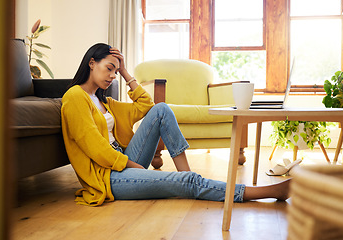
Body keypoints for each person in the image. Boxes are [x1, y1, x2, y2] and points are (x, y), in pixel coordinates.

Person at [61, 43, 291, 206]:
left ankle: (187, 176)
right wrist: (131, 164)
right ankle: (262, 193)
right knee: (187, 183)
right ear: (92, 63)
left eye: (115, 70)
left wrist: (125, 72)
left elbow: (147, 105)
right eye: (109, 68)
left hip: (123, 159)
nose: (112, 75)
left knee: (162, 109)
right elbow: (94, 148)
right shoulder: (74, 97)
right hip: (108, 177)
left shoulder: (105, 101)